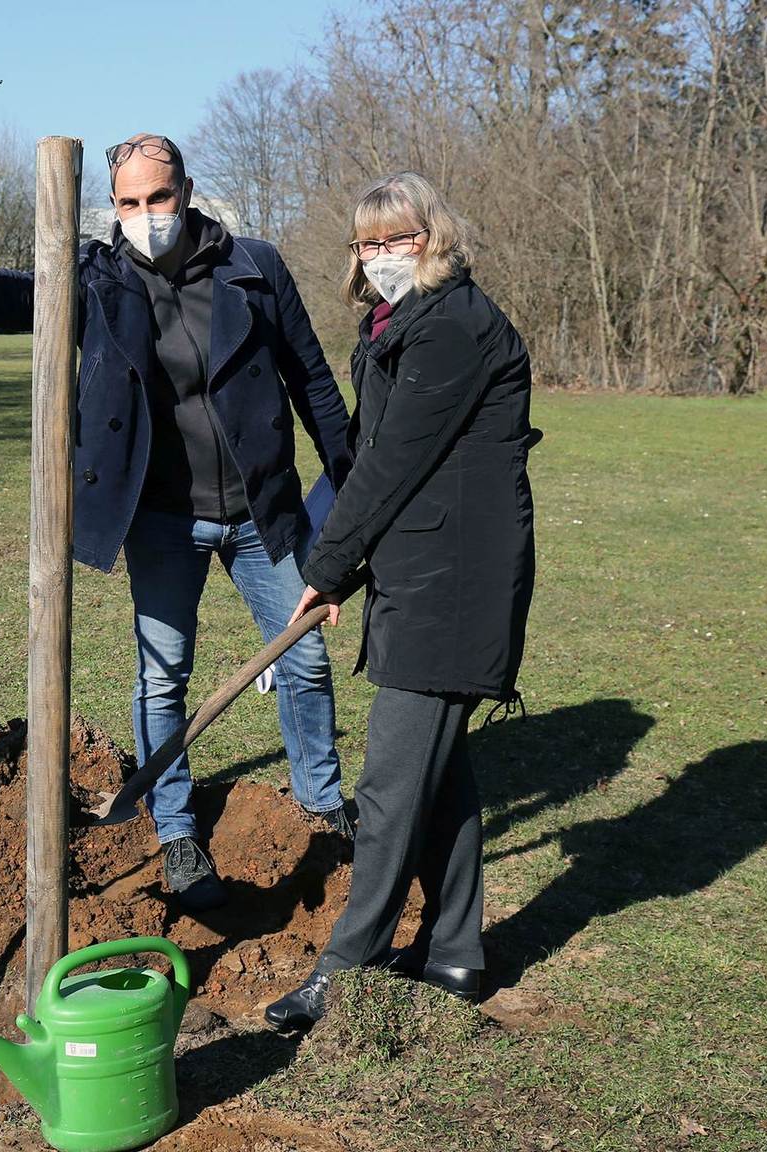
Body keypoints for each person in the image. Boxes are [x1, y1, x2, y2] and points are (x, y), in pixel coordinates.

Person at [0, 133, 355, 912]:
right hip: (163, 520)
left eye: (158, 199)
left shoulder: (255, 268)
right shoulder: (99, 278)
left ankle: (322, 800)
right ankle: (175, 828)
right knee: (161, 677)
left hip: (262, 514)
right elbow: (22, 292)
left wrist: (352, 497)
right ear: (114, 206)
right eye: (129, 203)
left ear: (188, 191)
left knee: (303, 662)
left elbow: (313, 384)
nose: (145, 216)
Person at [263, 172, 538, 1031]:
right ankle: (457, 950)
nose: (383, 256)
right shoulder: (400, 324)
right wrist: (342, 557)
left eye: (400, 238)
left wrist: (332, 565)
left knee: (387, 785)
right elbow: (371, 457)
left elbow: (391, 465)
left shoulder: (451, 327)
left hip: (453, 580)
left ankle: (346, 968)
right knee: (441, 779)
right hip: (422, 568)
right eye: (369, 243)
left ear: (435, 237)